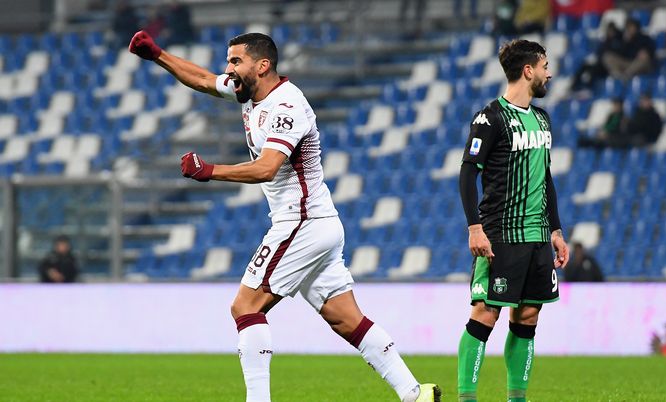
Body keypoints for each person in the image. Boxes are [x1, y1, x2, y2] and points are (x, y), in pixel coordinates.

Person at [128, 31, 440, 402]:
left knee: (245, 306)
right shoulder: (249, 90)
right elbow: (203, 81)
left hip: (301, 221)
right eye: (228, 61)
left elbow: (266, 168)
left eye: (235, 62)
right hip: (316, 223)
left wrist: (209, 170)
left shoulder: (287, 107)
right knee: (346, 319)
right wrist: (158, 54)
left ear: (262, 66)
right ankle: (413, 393)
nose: (228, 70)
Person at [457, 39, 569, 402]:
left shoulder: (542, 119)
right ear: (528, 70)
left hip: (537, 236)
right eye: (545, 66)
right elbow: (466, 173)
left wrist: (556, 230)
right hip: (501, 233)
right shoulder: (489, 118)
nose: (549, 73)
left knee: (528, 317)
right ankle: (467, 398)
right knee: (485, 314)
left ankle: (517, 399)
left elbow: (546, 178)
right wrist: (475, 227)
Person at [571, 22, 624, 94]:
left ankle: (588, 88)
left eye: (611, 30)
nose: (609, 32)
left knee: (594, 70)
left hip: (607, 67)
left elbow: (618, 55)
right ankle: (574, 87)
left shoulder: (618, 41)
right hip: (600, 64)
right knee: (584, 66)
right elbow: (599, 53)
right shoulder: (606, 41)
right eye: (608, 30)